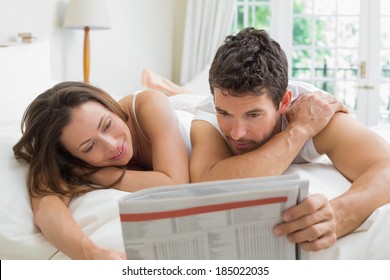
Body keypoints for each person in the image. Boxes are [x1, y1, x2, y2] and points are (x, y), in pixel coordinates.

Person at [189, 28, 390, 252]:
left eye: (253, 115)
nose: (236, 133)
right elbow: (208, 183)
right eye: (224, 114)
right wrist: (300, 130)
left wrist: (341, 213)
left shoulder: (316, 111)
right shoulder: (208, 114)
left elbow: (386, 166)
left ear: (284, 102)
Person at [13, 81, 190, 259]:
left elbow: (176, 186)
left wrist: (100, 175)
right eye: (89, 147)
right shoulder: (68, 155)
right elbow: (46, 211)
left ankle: (171, 88)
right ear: (70, 156)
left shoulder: (149, 104)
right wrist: (92, 253)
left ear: (109, 105)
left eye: (107, 125)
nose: (112, 145)